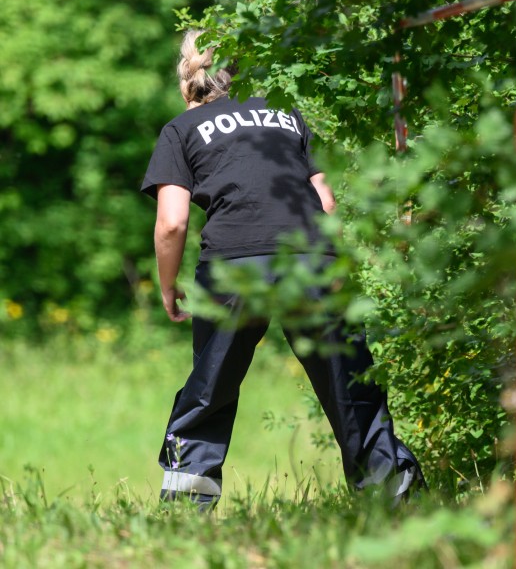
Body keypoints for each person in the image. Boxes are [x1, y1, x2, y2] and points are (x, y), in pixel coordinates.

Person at [140, 30, 424, 510]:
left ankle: (187, 507)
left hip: (233, 266)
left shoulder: (182, 130)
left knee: (210, 386)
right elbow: (326, 202)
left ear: (190, 82)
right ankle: (395, 498)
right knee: (347, 383)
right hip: (310, 257)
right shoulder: (288, 116)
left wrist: (168, 286)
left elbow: (172, 222)